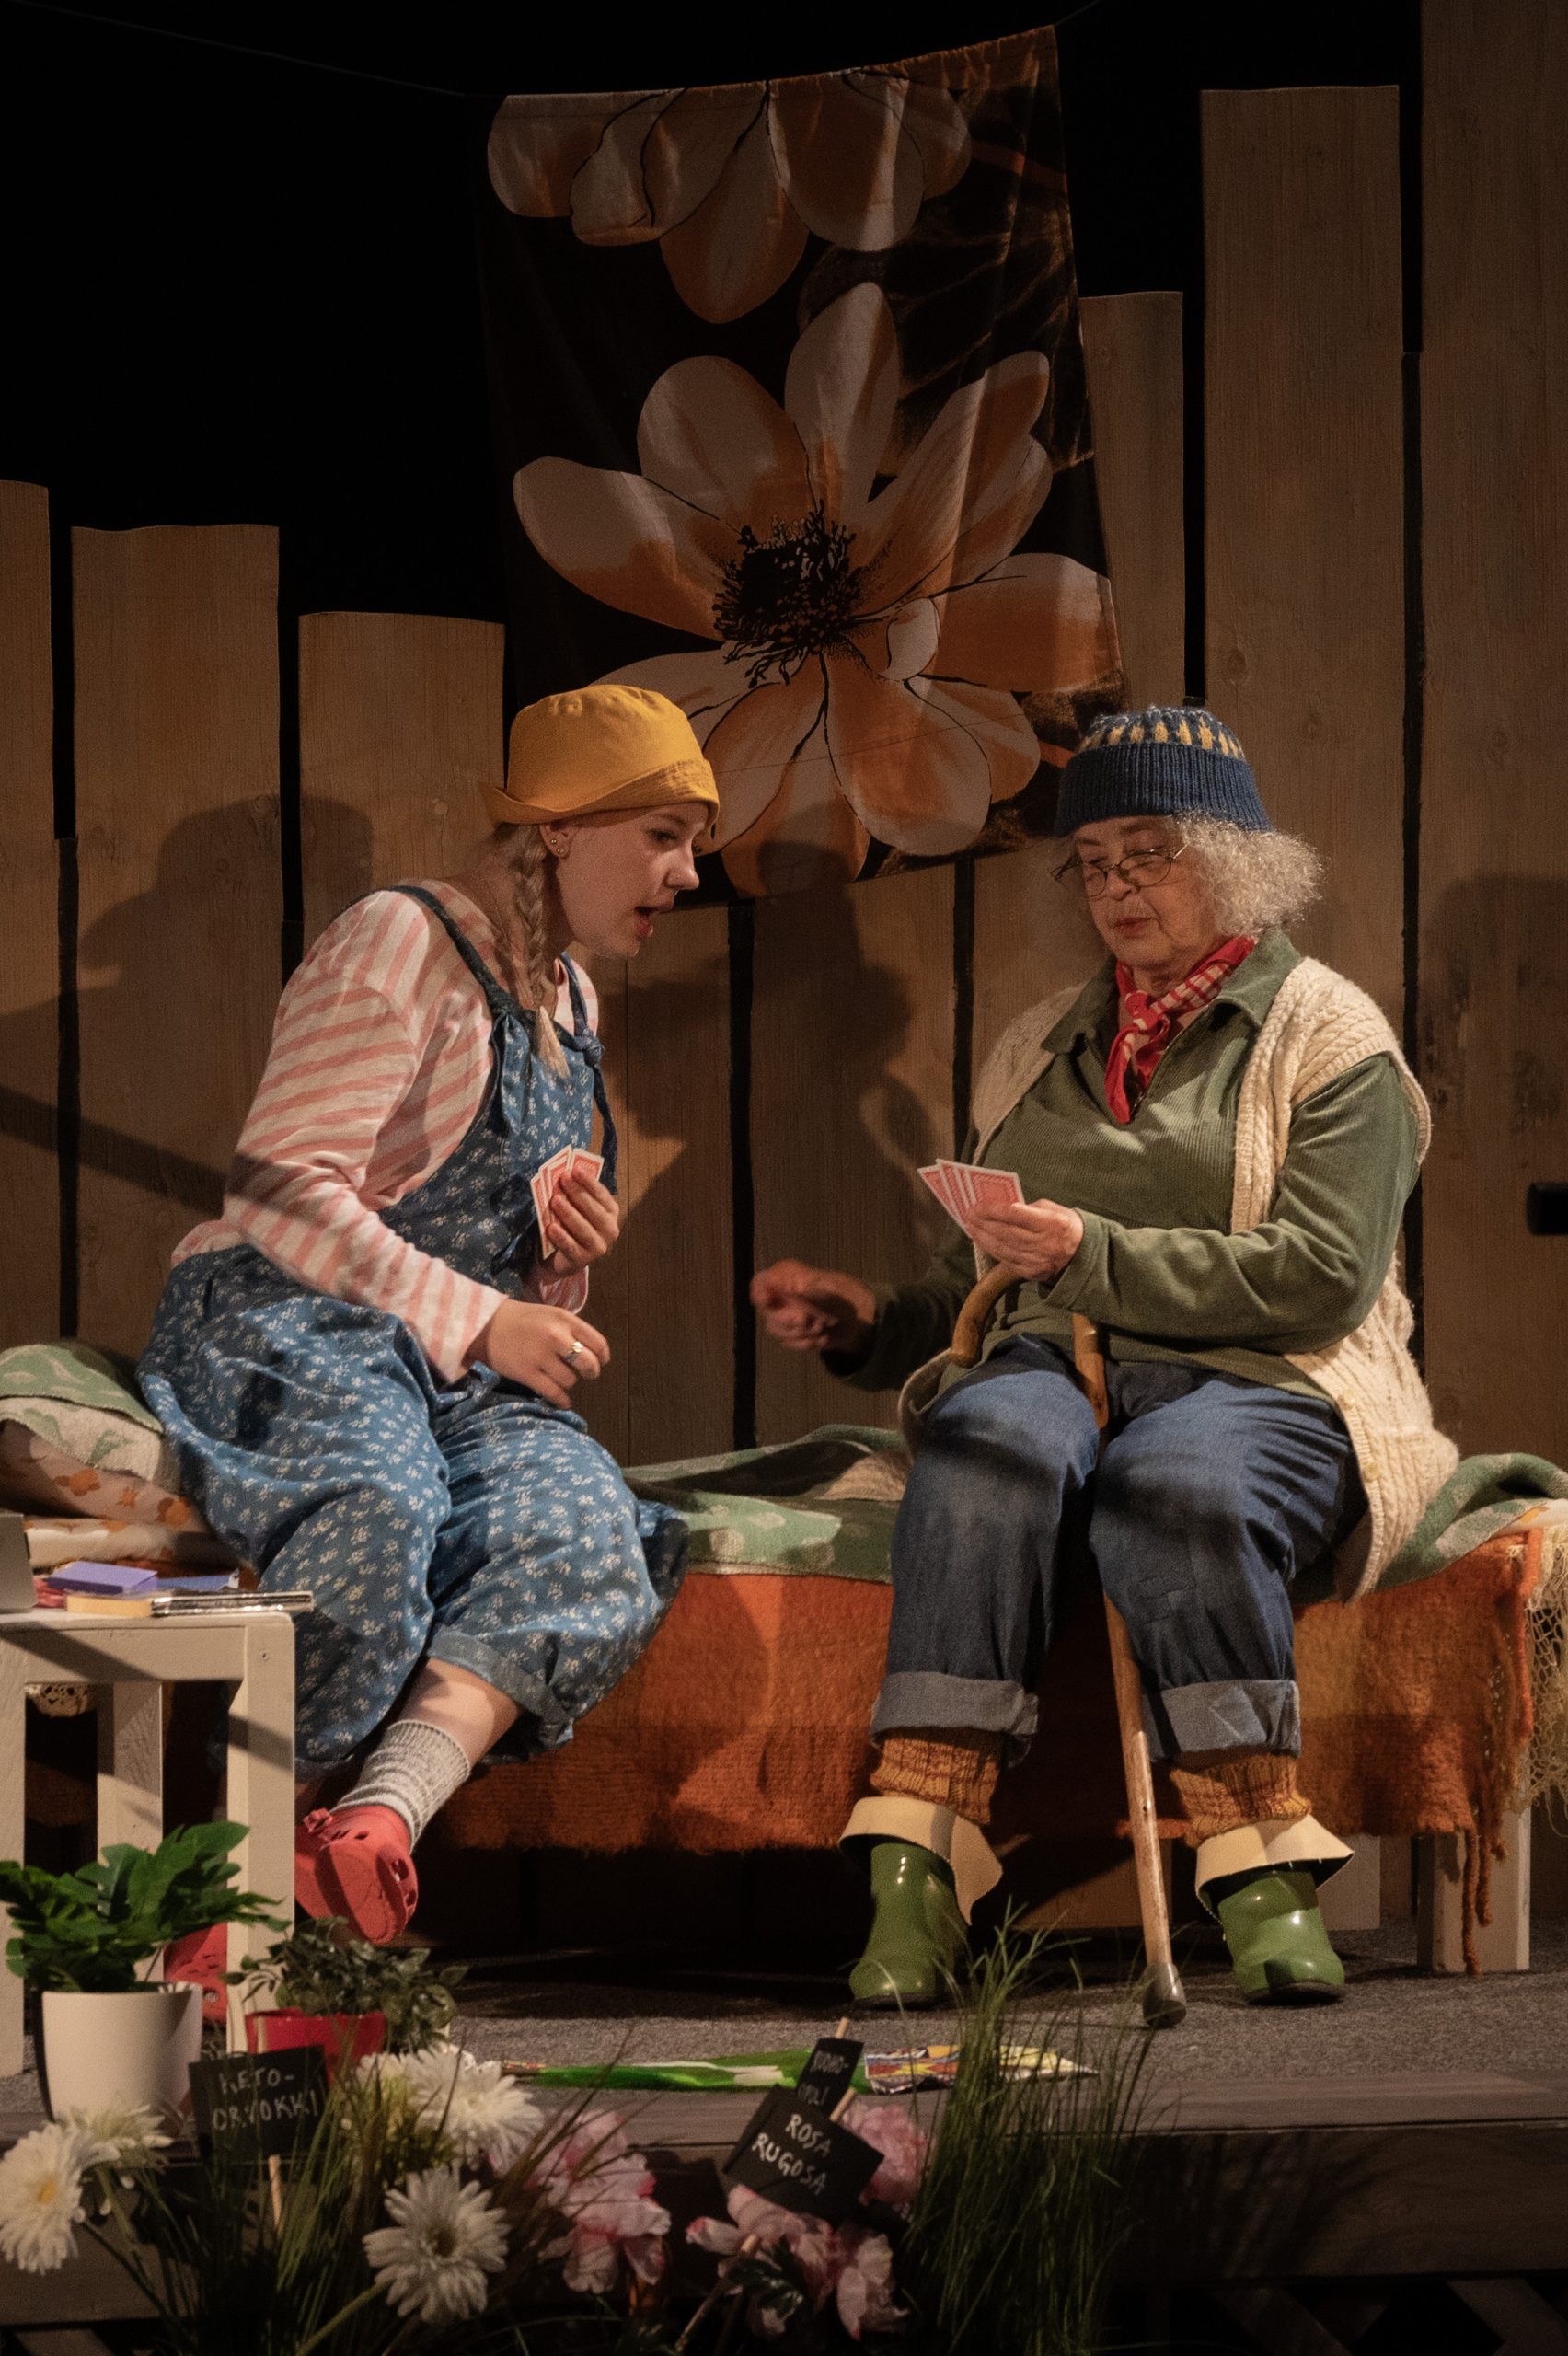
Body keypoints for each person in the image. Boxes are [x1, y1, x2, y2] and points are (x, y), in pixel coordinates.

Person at [753, 705, 1457, 2007]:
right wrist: (872, 1320)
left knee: (1177, 1489)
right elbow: (982, 1280)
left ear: (1235, 860)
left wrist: (1094, 1253)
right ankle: (918, 1868)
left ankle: (1259, 1869)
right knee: (982, 1448)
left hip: (1267, 1376)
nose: (1117, 887)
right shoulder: (1039, 1041)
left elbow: (1323, 1275)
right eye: (1092, 863)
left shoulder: (1329, 1038)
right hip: (1048, 1363)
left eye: (1150, 853)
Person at [141, 684, 717, 1944]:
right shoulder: (399, 941)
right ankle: (224, 1877)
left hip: (440, 1362)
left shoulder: (570, 998)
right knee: (382, 1511)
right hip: (296, 1319)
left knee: (581, 1533)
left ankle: (373, 1824)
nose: (685, 874)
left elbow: (480, 1239)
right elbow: (282, 1190)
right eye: (663, 837)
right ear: (559, 828)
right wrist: (486, 1318)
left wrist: (555, 1263)